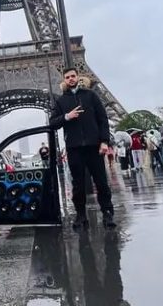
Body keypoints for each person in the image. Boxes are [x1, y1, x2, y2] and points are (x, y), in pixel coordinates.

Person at [49, 68, 116, 229]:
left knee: (101, 182)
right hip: (75, 148)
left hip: (94, 146)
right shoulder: (61, 101)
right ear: (64, 80)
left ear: (78, 77)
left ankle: (107, 213)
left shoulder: (91, 95)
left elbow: (103, 119)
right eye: (67, 77)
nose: (71, 79)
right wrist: (67, 116)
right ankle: (81, 215)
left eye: (73, 76)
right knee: (78, 184)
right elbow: (52, 123)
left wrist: (104, 141)